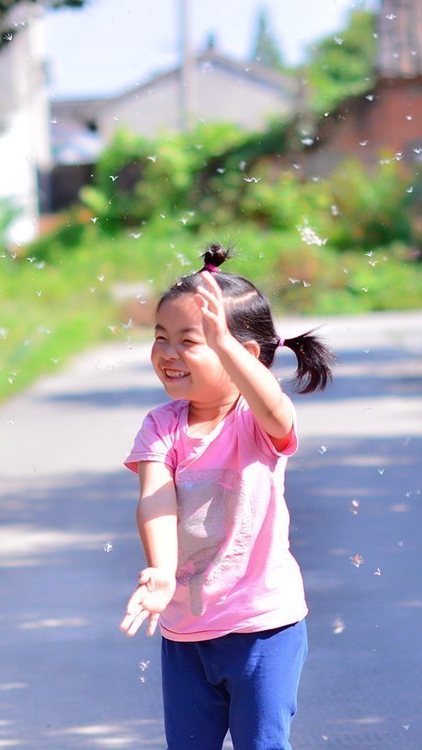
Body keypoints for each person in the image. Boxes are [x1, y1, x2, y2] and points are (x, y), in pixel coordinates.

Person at [120, 242, 336, 750]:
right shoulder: (161, 426)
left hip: (263, 627)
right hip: (186, 631)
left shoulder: (254, 423)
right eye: (160, 338)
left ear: (246, 356)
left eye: (190, 341)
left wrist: (225, 342)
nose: (168, 354)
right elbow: (156, 497)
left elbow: (278, 410)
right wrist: (161, 571)